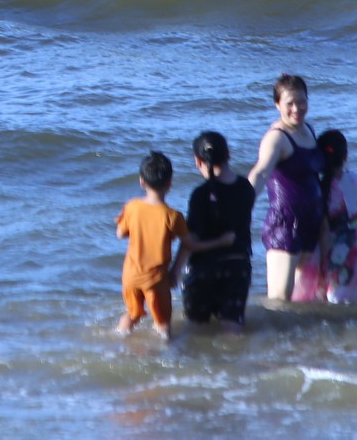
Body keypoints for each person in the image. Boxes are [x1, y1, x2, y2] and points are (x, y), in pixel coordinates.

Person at [249, 74, 322, 301]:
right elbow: (260, 172)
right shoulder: (276, 138)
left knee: (308, 300)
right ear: (277, 104)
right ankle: (270, 338)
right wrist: (241, 204)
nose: (296, 108)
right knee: (280, 302)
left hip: (312, 225)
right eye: (289, 103)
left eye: (301, 101)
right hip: (285, 226)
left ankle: (307, 339)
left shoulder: (308, 130)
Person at [182, 131, 255, 332]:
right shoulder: (245, 188)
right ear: (229, 155)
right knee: (232, 328)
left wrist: (173, 272)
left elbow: (191, 240)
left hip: (203, 270)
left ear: (198, 161)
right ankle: (235, 362)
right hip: (238, 266)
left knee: (196, 331)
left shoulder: (200, 195)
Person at [116, 150, 191, 339]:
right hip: (156, 280)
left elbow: (120, 234)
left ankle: (119, 340)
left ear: (142, 181)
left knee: (132, 314)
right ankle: (166, 356)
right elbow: (188, 244)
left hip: (130, 276)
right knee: (163, 324)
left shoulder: (132, 207)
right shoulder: (173, 216)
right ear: (170, 183)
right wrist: (175, 271)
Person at [315, 129, 357, 304]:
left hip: (339, 257)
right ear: (345, 154)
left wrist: (320, 269)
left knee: (337, 310)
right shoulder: (356, 179)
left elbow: (324, 232)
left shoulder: (321, 188)